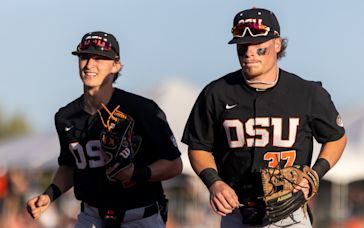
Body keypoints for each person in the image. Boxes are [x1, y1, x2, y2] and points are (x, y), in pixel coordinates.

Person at [182, 7, 347, 228]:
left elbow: (336, 137)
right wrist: (214, 183)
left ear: (277, 44)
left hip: (290, 212)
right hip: (237, 210)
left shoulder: (306, 93)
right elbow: (199, 146)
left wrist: (315, 174)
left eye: (259, 47)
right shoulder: (217, 93)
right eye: (242, 47)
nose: (249, 53)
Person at [26, 31, 183, 228]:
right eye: (84, 57)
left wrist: (136, 174)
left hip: (139, 217)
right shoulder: (66, 117)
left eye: (99, 58)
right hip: (91, 217)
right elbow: (69, 166)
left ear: (116, 65)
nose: (89, 64)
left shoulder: (142, 110)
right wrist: (49, 196)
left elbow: (174, 164)